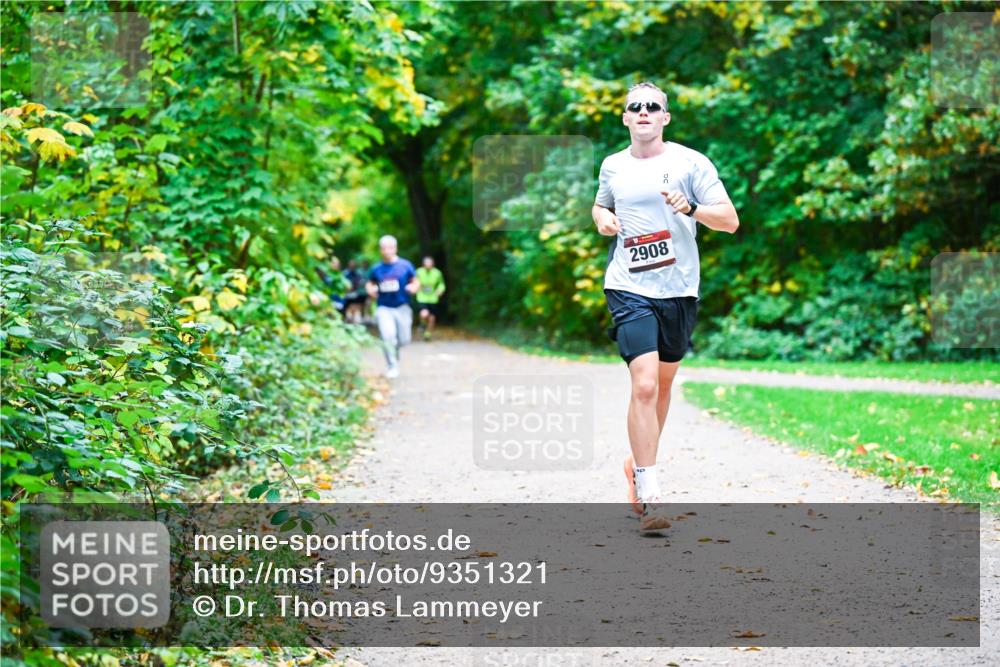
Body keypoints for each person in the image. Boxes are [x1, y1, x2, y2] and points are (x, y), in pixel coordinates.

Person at [592, 82, 740, 532]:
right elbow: (600, 206)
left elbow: (730, 222)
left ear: (665, 118)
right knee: (643, 385)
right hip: (627, 285)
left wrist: (691, 207)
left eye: (652, 107)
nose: (643, 112)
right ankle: (651, 490)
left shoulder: (690, 163)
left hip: (678, 290)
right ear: (624, 118)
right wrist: (603, 219)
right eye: (634, 107)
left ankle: (636, 461)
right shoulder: (613, 165)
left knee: (662, 385)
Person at [366, 235, 419, 379]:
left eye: (389, 248)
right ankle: (392, 365)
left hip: (402, 306)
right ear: (380, 250)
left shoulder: (405, 265)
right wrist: (370, 290)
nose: (386, 251)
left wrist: (413, 287)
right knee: (387, 336)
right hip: (384, 307)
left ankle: (395, 351)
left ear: (395, 248)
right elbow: (369, 283)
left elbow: (415, 281)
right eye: (383, 248)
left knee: (404, 339)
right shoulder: (376, 269)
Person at [415, 255, 446, 341]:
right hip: (422, 297)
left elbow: (441, 284)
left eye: (429, 263)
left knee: (432, 317)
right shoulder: (418, 272)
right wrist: (416, 287)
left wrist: (440, 290)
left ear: (432, 264)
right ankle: (422, 324)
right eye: (426, 263)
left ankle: (428, 333)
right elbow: (414, 281)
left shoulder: (437, 273)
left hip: (433, 298)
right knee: (424, 313)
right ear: (423, 264)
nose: (428, 265)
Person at [343, 259, 366, 324]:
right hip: (347, 295)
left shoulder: (357, 274)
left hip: (355, 295)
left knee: (357, 310)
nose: (352, 266)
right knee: (348, 311)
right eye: (351, 265)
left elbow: (361, 282)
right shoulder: (345, 273)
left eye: (354, 265)